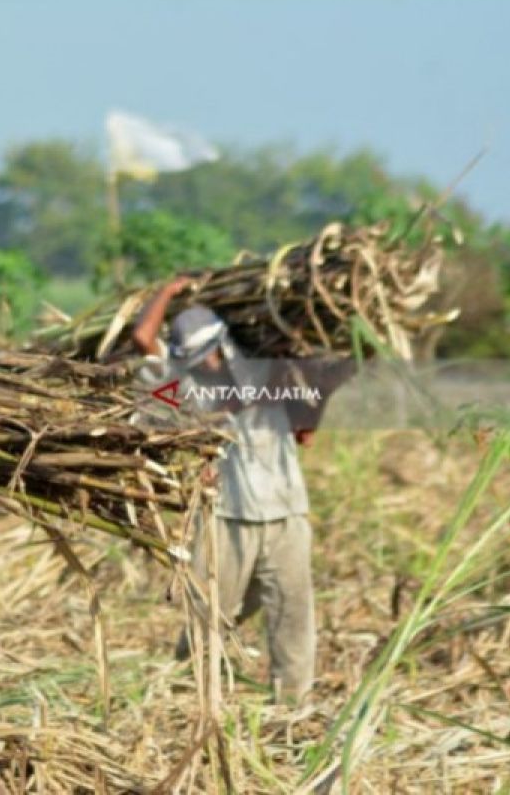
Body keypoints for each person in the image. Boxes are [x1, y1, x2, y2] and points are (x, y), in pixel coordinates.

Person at [131, 275, 350, 702]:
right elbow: (143, 338)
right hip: (227, 515)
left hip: (286, 511)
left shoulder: (267, 368)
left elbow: (316, 386)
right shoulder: (180, 386)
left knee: (292, 611)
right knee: (208, 609)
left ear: (223, 343)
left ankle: (292, 703)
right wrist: (167, 291)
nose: (207, 363)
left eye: (210, 353)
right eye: (197, 357)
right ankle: (188, 686)